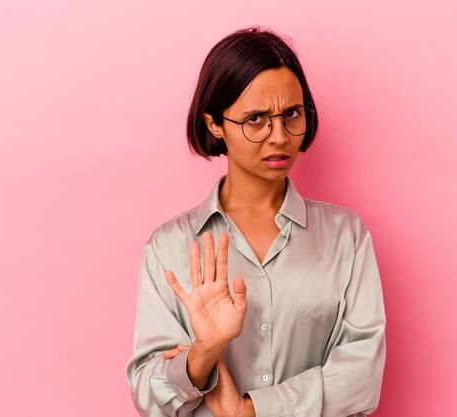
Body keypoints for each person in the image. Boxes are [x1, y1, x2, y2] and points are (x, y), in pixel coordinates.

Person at [125, 26, 386, 417]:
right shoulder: (169, 246)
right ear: (215, 124)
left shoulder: (345, 236)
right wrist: (204, 353)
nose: (279, 136)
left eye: (291, 114)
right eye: (256, 119)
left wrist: (251, 411)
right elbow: (148, 392)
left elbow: (362, 375)